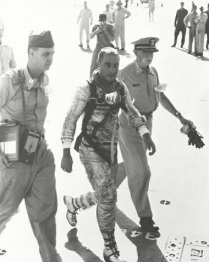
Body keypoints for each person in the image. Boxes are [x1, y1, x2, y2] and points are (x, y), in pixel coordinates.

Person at [61, 47, 156, 262]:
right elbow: (70, 119)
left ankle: (75, 203)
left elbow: (132, 111)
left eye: (115, 65)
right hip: (89, 149)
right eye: (107, 65)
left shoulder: (120, 88)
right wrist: (66, 150)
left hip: (110, 152)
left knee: (105, 194)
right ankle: (109, 246)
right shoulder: (86, 89)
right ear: (98, 64)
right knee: (110, 196)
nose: (112, 69)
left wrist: (145, 133)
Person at [117, 37, 192, 238]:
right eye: (145, 53)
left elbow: (161, 96)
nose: (149, 57)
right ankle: (146, 219)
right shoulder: (124, 74)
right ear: (136, 54)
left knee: (132, 165)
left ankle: (102, 191)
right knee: (142, 172)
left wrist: (179, 116)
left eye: (152, 53)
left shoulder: (153, 73)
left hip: (148, 123)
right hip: (130, 126)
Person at [0, 31, 61, 262]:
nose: (50, 59)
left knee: (45, 215)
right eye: (45, 54)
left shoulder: (45, 80)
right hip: (12, 152)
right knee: (4, 209)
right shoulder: (10, 79)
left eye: (52, 54)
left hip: (40, 152)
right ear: (31, 53)